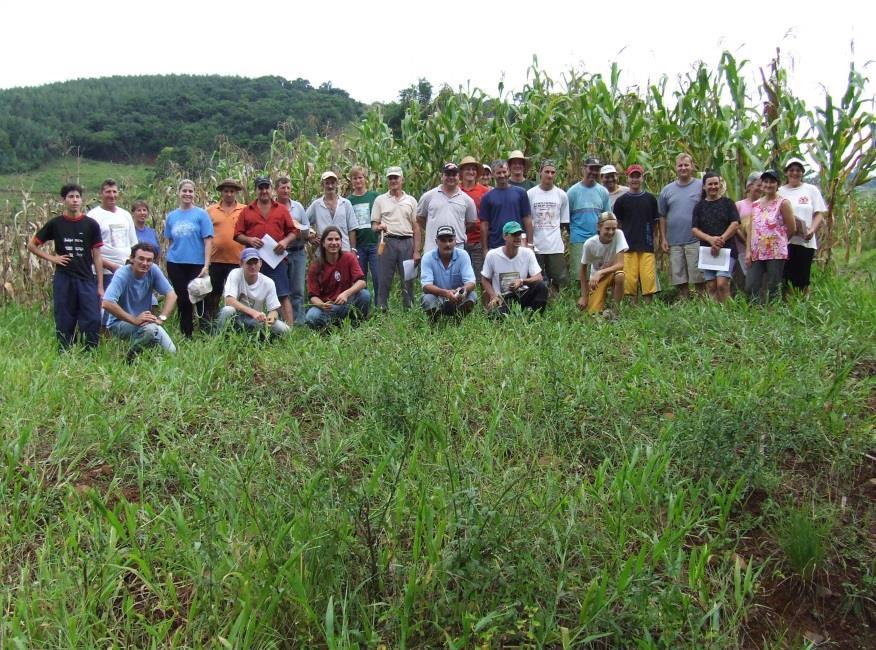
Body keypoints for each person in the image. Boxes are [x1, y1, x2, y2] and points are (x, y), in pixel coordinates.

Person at [28, 183, 104, 350]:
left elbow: (97, 256)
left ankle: (90, 352)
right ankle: (65, 352)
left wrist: (99, 285)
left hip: (85, 278)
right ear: (64, 200)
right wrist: (52, 258)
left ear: (81, 200)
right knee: (64, 317)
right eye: (71, 197)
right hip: (64, 278)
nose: (75, 200)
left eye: (77, 197)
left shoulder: (91, 224)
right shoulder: (56, 224)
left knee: (92, 318)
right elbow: (32, 245)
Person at [234, 176, 298, 324]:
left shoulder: (281, 210)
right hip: (254, 261)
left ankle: (290, 330)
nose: (264, 191)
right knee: (252, 294)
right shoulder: (246, 211)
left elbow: (293, 232)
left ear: (271, 189)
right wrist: (249, 240)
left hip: (276, 260)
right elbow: (237, 234)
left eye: (266, 187)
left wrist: (285, 241)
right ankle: (253, 326)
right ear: (255, 190)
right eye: (260, 188)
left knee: (282, 294)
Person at [102, 243, 177, 360]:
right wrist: (134, 320)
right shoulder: (122, 274)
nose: (145, 263)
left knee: (171, 352)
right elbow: (107, 303)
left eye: (149, 260)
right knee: (150, 330)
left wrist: (162, 318)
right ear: (132, 258)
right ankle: (129, 359)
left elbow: (171, 294)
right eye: (141, 259)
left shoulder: (153, 270)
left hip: (146, 322)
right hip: (119, 323)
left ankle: (144, 350)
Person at [163, 179, 213, 338]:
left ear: (194, 194)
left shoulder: (201, 215)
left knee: (200, 298)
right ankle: (187, 334)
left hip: (197, 264)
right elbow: (170, 241)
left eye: (190, 191)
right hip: (176, 263)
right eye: (184, 190)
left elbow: (208, 240)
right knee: (183, 299)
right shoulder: (171, 216)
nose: (187, 194)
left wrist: (206, 265)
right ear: (178, 193)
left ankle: (205, 333)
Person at [371, 166, 420, 310]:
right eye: (390, 178)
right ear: (387, 180)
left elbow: (416, 227)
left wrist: (417, 250)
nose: (393, 180)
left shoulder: (411, 200)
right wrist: (379, 227)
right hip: (387, 243)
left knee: (408, 280)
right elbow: (373, 225)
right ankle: (382, 310)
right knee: (384, 280)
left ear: (402, 180)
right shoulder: (380, 200)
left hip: (407, 243)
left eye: (396, 177)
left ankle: (409, 310)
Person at [305, 226, 371, 329]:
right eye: (330, 239)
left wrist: (346, 294)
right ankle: (332, 327)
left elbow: (362, 282)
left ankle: (356, 325)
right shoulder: (315, 266)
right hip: (328, 308)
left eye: (337, 239)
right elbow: (312, 296)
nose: (334, 243)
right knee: (311, 317)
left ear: (341, 242)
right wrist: (322, 305)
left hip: (347, 303)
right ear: (323, 243)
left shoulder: (349, 257)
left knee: (364, 295)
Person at [746, 170, 796, 304]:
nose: (768, 185)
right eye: (766, 182)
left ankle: (773, 317)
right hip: (757, 251)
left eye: (772, 182)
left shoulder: (783, 203)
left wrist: (780, 242)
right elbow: (751, 228)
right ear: (761, 184)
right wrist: (748, 251)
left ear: (777, 184)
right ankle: (754, 315)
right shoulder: (755, 204)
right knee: (751, 285)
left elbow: (792, 228)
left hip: (775, 252)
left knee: (773, 286)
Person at [659, 153, 704, 299]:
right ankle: (684, 301)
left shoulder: (700, 186)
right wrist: (663, 238)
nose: (683, 168)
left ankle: (701, 303)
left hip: (695, 239)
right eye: (680, 165)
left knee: (698, 276)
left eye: (686, 165)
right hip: (674, 241)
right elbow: (662, 216)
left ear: (692, 167)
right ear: (675, 168)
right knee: (679, 276)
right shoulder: (667, 190)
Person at [779, 157, 827, 296]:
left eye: (798, 170)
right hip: (785, 241)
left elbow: (819, 213)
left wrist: (812, 229)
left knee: (803, 277)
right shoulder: (780, 192)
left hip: (806, 241)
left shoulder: (811, 190)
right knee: (786, 277)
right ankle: (787, 306)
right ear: (786, 173)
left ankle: (803, 306)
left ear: (802, 173)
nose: (795, 173)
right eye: (791, 170)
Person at [217, 248, 289, 338]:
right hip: (236, 317)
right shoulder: (235, 273)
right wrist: (253, 312)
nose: (253, 266)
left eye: (255, 263)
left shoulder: (268, 282)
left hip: (255, 320)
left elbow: (274, 309)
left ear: (260, 263)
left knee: (284, 329)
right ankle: (220, 339)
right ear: (241, 264)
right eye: (249, 263)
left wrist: (272, 316)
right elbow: (229, 300)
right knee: (228, 310)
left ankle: (261, 341)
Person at [613, 164, 659, 304]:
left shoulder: (650, 199)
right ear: (627, 179)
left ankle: (647, 308)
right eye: (632, 177)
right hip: (628, 246)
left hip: (646, 245)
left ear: (642, 178)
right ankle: (633, 308)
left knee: (648, 279)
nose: (635, 180)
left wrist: (656, 240)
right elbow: (617, 225)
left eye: (637, 176)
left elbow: (655, 223)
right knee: (630, 281)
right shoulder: (621, 201)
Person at [691, 171, 740, 303]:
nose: (713, 187)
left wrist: (721, 240)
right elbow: (694, 229)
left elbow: (735, 223)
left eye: (716, 184)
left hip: (727, 250)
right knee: (711, 286)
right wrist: (710, 239)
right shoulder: (699, 207)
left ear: (720, 185)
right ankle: (716, 316)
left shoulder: (728, 203)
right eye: (710, 184)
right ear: (704, 187)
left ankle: (728, 315)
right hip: (707, 250)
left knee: (722, 284)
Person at [481, 221, 548, 315]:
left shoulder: (528, 253)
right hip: (502, 299)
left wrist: (521, 281)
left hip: (522, 294)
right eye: (514, 234)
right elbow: (484, 279)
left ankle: (535, 317)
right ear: (505, 236)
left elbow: (539, 277)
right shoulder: (492, 255)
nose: (517, 237)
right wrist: (493, 296)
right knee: (496, 317)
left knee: (541, 287)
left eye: (519, 234)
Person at [205, 178, 245, 323]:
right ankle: (211, 322)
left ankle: (237, 322)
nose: (229, 194)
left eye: (232, 191)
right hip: (215, 260)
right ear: (221, 192)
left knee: (236, 294)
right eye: (226, 191)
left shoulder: (244, 210)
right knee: (213, 294)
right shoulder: (210, 211)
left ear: (236, 193)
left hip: (237, 260)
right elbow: (204, 234)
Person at [567, 157, 611, 288]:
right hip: (578, 237)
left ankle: (596, 299)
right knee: (580, 273)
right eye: (591, 168)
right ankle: (581, 299)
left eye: (597, 169)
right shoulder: (572, 192)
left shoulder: (602, 192)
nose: (593, 172)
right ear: (584, 168)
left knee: (598, 272)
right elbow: (566, 219)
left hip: (598, 238)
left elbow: (606, 216)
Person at [527, 159, 569, 294]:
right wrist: (529, 243)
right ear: (540, 173)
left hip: (555, 246)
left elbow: (564, 222)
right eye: (547, 172)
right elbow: (527, 220)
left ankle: (556, 304)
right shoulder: (531, 194)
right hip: (536, 244)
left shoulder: (561, 195)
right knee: (537, 279)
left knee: (557, 279)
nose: (550, 175)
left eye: (553, 172)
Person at [416, 162, 478, 252]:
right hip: (432, 247)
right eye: (447, 175)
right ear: (442, 176)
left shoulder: (467, 200)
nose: (451, 177)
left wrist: (458, 229)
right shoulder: (428, 196)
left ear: (458, 177)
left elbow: (471, 223)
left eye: (454, 175)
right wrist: (432, 228)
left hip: (457, 248)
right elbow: (420, 217)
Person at [87, 178, 137, 287]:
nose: (112, 195)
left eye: (114, 191)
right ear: (101, 194)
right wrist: (111, 266)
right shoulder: (92, 216)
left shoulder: (125, 215)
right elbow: (88, 250)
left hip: (126, 271)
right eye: (108, 192)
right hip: (103, 274)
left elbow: (134, 244)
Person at [577, 212, 628, 316]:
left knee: (620, 276)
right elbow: (583, 269)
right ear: (599, 227)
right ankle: (601, 309)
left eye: (614, 228)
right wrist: (584, 296)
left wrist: (600, 272)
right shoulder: (589, 244)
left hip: (611, 273)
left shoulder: (619, 234)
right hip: (596, 279)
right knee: (592, 314)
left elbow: (620, 264)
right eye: (607, 228)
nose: (611, 232)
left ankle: (616, 311)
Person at [420, 225, 477, 318]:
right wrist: (445, 293)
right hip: (437, 297)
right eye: (443, 240)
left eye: (450, 240)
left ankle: (458, 320)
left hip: (458, 298)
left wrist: (463, 290)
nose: (447, 244)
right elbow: (426, 286)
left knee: (472, 295)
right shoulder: (427, 257)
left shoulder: (463, 255)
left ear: (455, 242)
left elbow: (471, 282)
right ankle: (436, 323)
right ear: (436, 242)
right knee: (427, 298)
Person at [479, 160, 534, 255]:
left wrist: (530, 243)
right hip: (496, 244)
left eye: (504, 172)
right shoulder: (487, 197)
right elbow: (484, 225)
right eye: (498, 173)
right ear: (493, 174)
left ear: (508, 171)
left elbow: (527, 219)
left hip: (518, 243)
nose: (502, 175)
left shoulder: (521, 193)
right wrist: (485, 249)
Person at [275, 175, 309, 324]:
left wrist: (300, 229)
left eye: (288, 187)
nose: (286, 190)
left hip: (298, 251)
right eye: (283, 188)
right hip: (280, 253)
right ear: (276, 190)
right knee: (281, 289)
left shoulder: (298, 207)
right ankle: (283, 321)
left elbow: (307, 228)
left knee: (298, 290)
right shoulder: (272, 208)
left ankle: (299, 321)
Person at [348, 166, 380, 300]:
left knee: (378, 276)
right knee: (360, 278)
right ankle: (363, 306)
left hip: (374, 244)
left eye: (360, 177)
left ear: (366, 179)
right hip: (359, 246)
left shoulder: (374, 197)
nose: (358, 181)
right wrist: (352, 248)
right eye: (355, 178)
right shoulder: (348, 201)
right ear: (351, 181)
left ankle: (380, 305)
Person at [306, 171, 358, 251]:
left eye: (333, 183)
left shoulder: (346, 204)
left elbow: (352, 229)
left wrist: (353, 250)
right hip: (324, 252)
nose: (330, 186)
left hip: (344, 250)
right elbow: (303, 222)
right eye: (327, 183)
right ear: (322, 185)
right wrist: (310, 234)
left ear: (336, 184)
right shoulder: (316, 205)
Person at [459, 155, 490, 278]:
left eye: (473, 169)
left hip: (478, 240)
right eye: (467, 169)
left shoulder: (484, 192)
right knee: (461, 276)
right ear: (461, 172)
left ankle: (485, 298)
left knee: (481, 276)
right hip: (460, 240)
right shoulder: (456, 190)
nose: (471, 172)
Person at [734, 172, 762, 283]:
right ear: (750, 186)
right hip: (741, 251)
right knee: (742, 282)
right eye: (758, 185)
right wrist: (747, 242)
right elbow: (735, 227)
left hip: (761, 252)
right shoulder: (739, 205)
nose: (761, 189)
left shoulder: (765, 205)